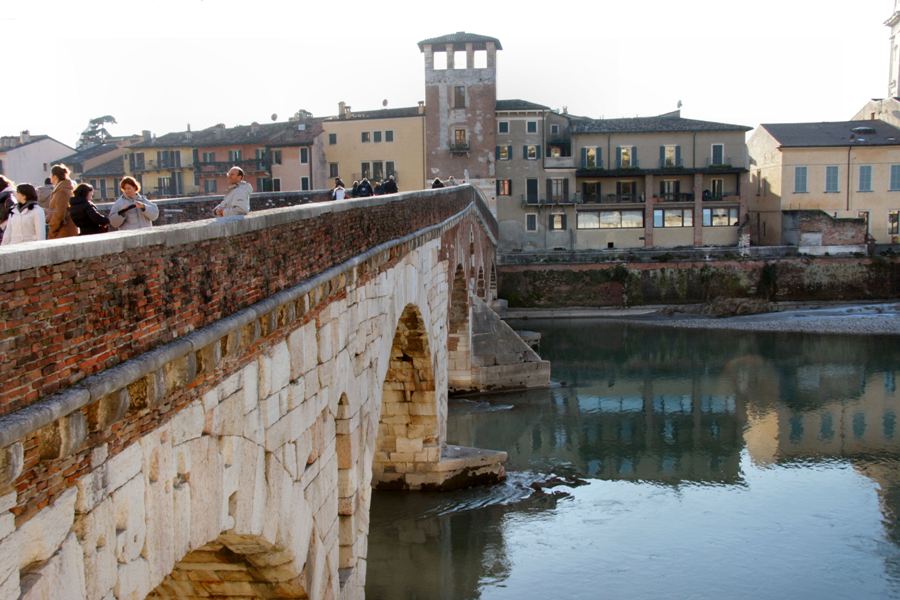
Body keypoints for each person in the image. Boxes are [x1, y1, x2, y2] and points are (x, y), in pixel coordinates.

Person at [47, 164, 78, 239]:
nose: (50, 178)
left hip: (63, 232)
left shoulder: (61, 191)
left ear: (55, 176)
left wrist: (52, 230)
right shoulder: (64, 189)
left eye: (50, 175)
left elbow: (59, 214)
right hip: (65, 230)